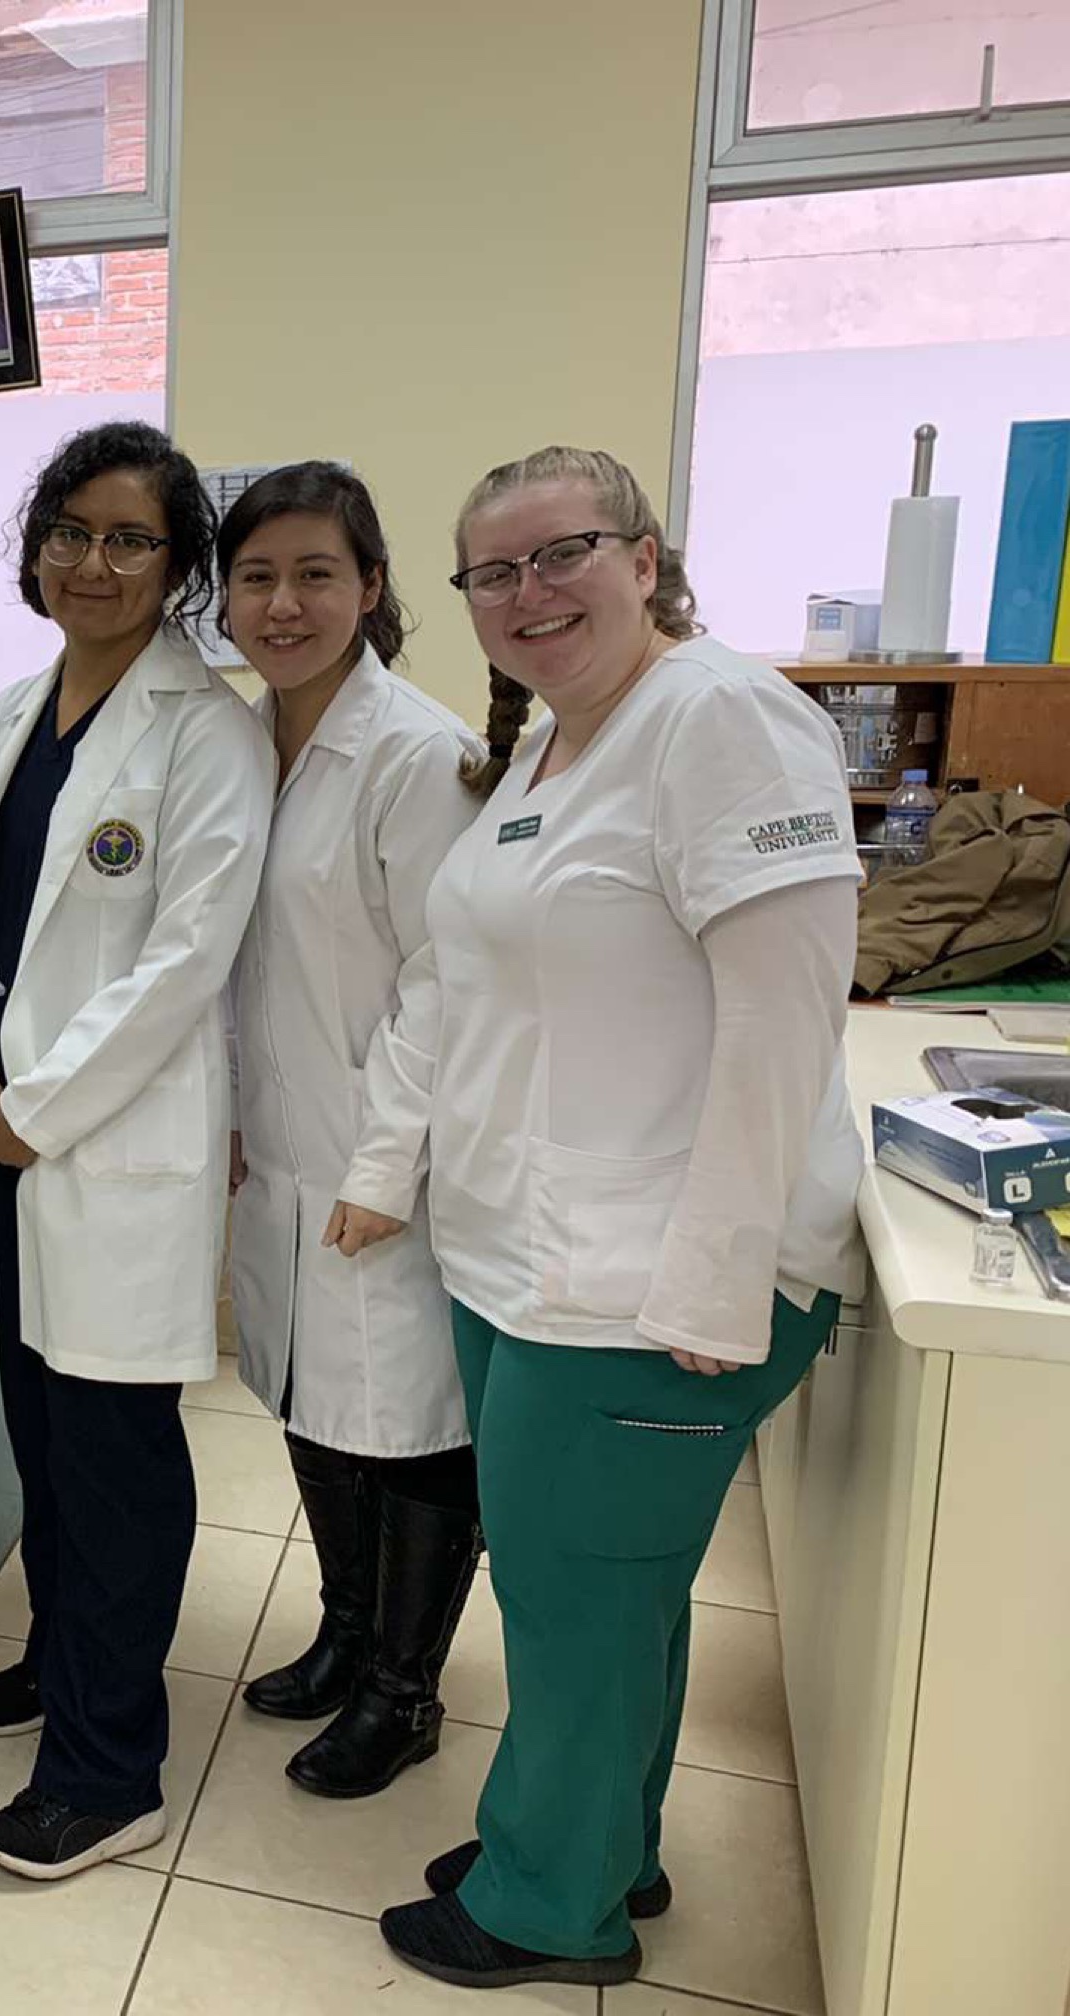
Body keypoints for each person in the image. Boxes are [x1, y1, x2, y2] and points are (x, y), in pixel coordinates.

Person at [374, 447, 862, 1989]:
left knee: (577, 1604)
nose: (527, 593)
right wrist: (393, 1170)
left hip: (653, 1285)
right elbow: (471, 982)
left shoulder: (723, 720)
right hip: (536, 1266)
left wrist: (718, 1285)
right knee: (602, 1588)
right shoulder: (559, 744)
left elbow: (784, 1019)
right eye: (493, 572)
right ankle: (603, 1843)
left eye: (562, 553)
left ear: (645, 559)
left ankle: (546, 1905)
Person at [0, 422, 272, 1879]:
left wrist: (38, 1107)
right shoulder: (14, 709)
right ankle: (64, 1656)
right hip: (3, 1135)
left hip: (103, 1142)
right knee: (43, 1435)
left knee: (116, 1456)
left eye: (132, 539)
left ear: (179, 564)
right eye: (70, 531)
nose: (94, 562)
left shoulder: (211, 732)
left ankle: (107, 1766)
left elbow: (189, 960)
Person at [217, 463, 489, 1799]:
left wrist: (387, 1167)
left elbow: (448, 977)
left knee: (413, 1418)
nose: (284, 604)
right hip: (279, 1145)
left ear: (371, 588)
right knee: (311, 1394)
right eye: (257, 576)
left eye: (316, 574)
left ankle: (404, 1688)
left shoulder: (416, 753)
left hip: (392, 1156)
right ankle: (344, 1632)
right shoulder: (235, 745)